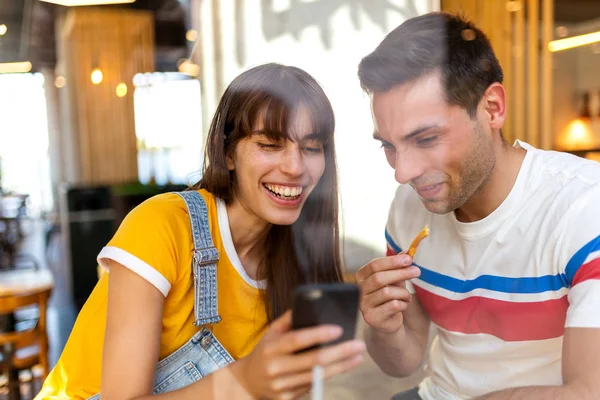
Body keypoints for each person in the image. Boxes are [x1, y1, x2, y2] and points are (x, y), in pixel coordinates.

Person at [36, 63, 365, 400]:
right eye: (270, 145)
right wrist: (243, 382)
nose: (295, 167)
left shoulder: (295, 264)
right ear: (228, 152)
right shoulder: (162, 224)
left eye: (311, 148)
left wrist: (372, 321)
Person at [354, 12, 600, 400]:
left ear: (492, 109)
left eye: (426, 138)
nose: (403, 172)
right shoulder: (408, 206)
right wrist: (384, 326)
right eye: (388, 145)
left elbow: (588, 392)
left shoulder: (585, 209)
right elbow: (402, 362)